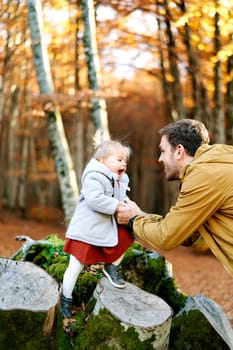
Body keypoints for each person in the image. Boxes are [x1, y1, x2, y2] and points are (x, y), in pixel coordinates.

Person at [116, 118, 233, 279]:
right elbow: (185, 235)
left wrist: (132, 220)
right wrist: (140, 216)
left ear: (179, 151)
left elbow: (167, 238)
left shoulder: (204, 176)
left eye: (163, 151)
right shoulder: (217, 163)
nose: (160, 159)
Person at [61, 140, 133, 319]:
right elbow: (94, 199)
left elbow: (121, 198)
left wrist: (129, 206)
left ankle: (111, 266)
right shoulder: (94, 175)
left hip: (105, 228)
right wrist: (117, 206)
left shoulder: (119, 179)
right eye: (119, 159)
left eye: (125, 160)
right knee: (75, 266)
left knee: (129, 233)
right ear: (102, 161)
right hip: (86, 230)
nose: (123, 163)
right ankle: (65, 298)